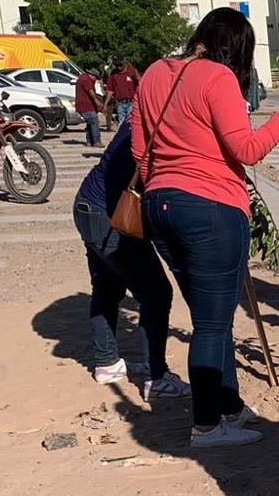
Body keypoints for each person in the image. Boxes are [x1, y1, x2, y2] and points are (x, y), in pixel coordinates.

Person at [131, 7, 279, 449]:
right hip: (210, 209)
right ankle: (207, 425)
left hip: (159, 206)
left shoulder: (155, 72)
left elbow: (139, 150)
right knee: (212, 325)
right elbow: (246, 149)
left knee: (212, 318)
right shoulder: (217, 78)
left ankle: (228, 406)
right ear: (237, 48)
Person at [72, 122, 191, 399]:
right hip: (110, 215)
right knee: (157, 294)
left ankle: (107, 363)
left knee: (107, 288)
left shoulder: (138, 116)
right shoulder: (153, 121)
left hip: (88, 204)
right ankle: (156, 377)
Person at [106, 57, 141, 125]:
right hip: (120, 104)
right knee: (122, 125)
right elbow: (110, 90)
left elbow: (140, 83)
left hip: (131, 102)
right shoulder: (113, 74)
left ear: (124, 62)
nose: (119, 67)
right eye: (117, 66)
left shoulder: (132, 71)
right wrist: (106, 103)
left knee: (130, 123)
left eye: (120, 65)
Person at [74, 68, 103, 147]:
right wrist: (97, 101)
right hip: (86, 105)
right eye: (96, 78)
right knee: (94, 121)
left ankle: (89, 141)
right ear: (92, 75)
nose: (95, 80)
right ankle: (96, 141)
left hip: (84, 105)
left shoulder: (82, 78)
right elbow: (91, 92)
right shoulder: (87, 80)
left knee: (90, 123)